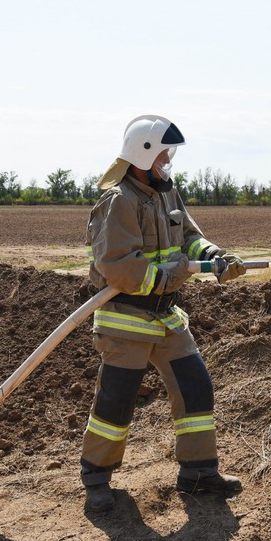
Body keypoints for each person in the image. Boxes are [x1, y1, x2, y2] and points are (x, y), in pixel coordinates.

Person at [81, 115, 248, 513]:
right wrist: (168, 275)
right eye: (163, 155)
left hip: (167, 316)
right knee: (117, 402)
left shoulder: (167, 193)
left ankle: (198, 472)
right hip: (126, 318)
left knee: (196, 388)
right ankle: (97, 480)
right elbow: (118, 265)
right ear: (143, 154)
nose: (168, 162)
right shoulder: (118, 200)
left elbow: (190, 238)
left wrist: (215, 258)